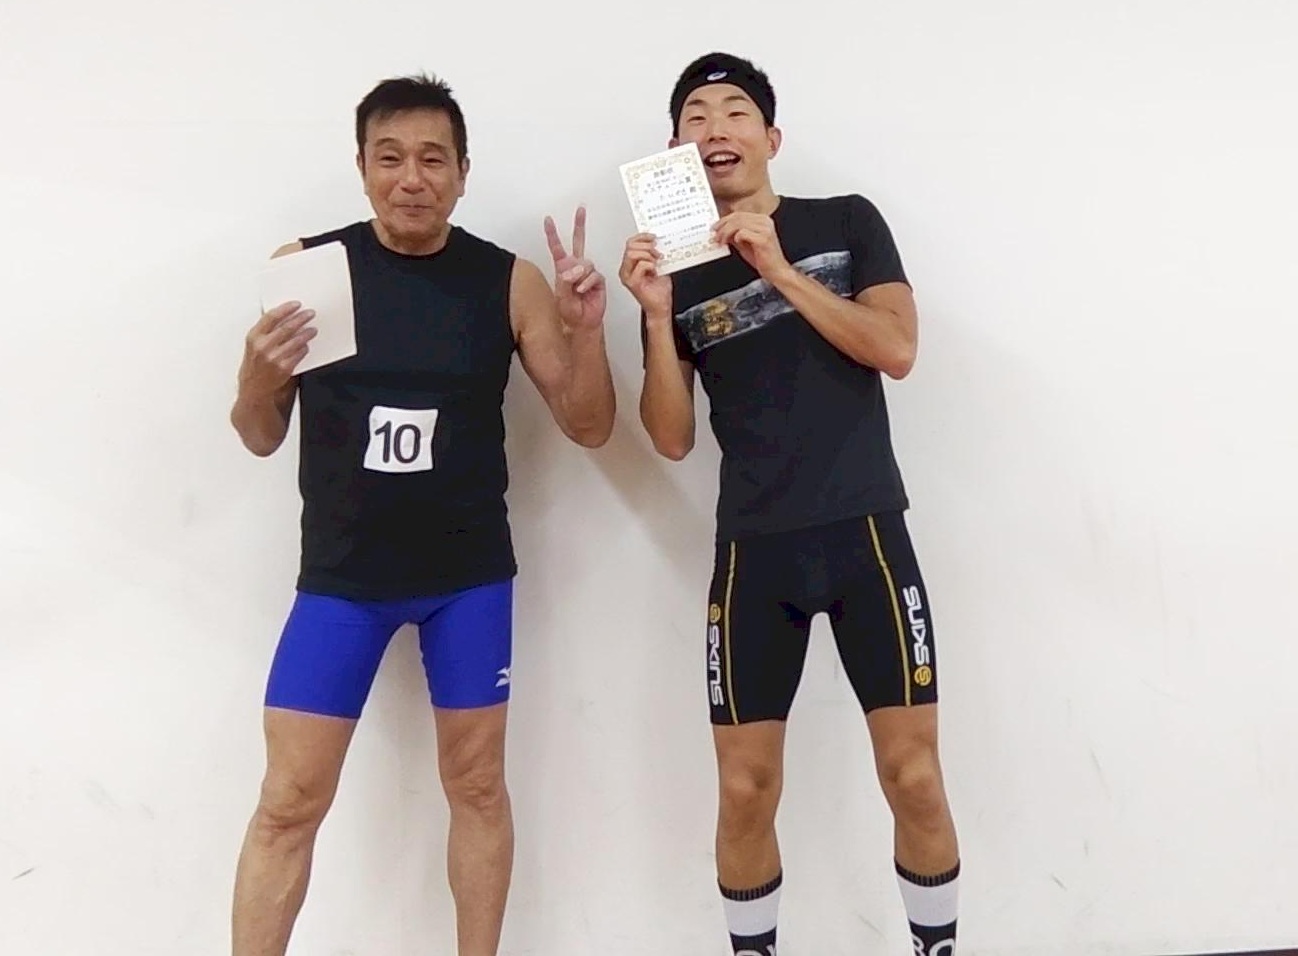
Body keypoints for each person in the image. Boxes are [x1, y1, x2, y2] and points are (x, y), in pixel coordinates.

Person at [228, 73, 615, 956]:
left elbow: (590, 425)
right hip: (342, 582)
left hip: (465, 581)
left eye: (433, 160)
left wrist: (586, 330)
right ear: (362, 167)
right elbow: (258, 434)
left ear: (463, 174)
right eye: (390, 157)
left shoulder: (506, 280)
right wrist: (255, 377)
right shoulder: (310, 269)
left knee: (476, 787)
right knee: (288, 801)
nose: (412, 178)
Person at [618, 52, 961, 956]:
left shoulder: (844, 221)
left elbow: (895, 348)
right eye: (696, 117)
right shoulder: (676, 270)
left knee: (914, 776)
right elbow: (670, 438)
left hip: (866, 536)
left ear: (770, 138)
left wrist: (778, 269)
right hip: (754, 553)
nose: (716, 128)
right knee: (744, 790)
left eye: (735, 112)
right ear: (675, 149)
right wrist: (652, 313)